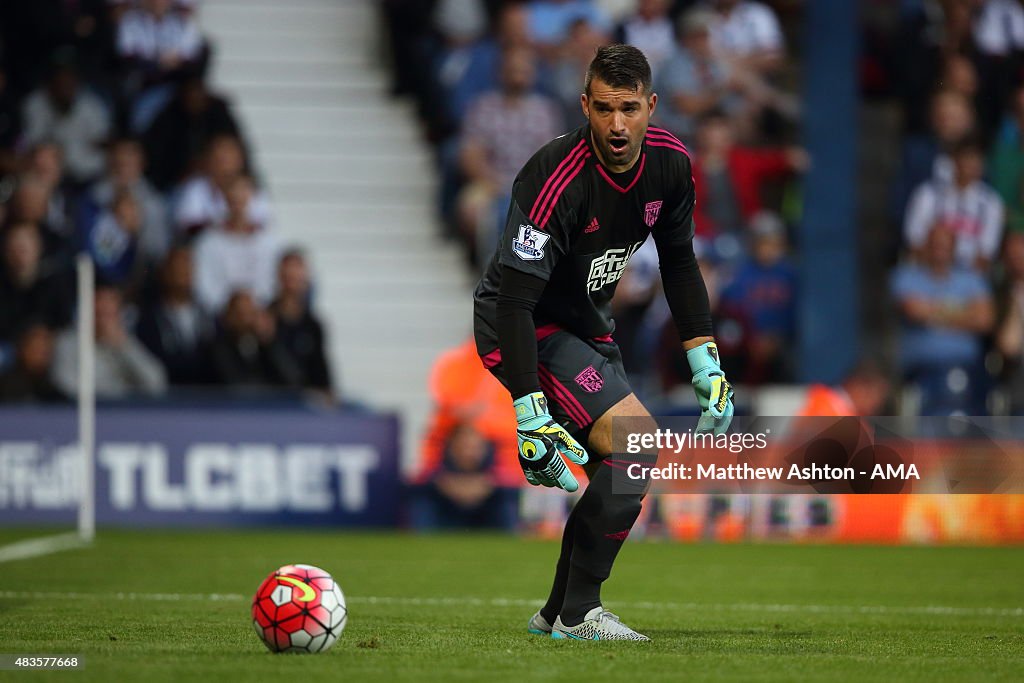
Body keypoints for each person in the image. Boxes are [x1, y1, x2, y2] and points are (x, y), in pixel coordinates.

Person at [472, 44, 734, 640]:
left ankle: (556, 613)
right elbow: (514, 300)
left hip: (586, 325)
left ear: (652, 107)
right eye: (606, 109)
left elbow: (680, 263)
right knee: (636, 444)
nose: (618, 125)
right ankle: (580, 616)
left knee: (621, 465)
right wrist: (528, 413)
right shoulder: (551, 179)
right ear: (584, 104)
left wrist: (705, 359)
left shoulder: (670, 165)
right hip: (523, 324)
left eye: (631, 109)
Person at [51, 285, 168, 399]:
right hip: (79, 414)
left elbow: (156, 383)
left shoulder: (126, 342)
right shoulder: (67, 341)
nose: (103, 321)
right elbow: (64, 385)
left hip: (122, 414)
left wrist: (124, 347)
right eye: (99, 313)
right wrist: (117, 392)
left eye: (108, 313)